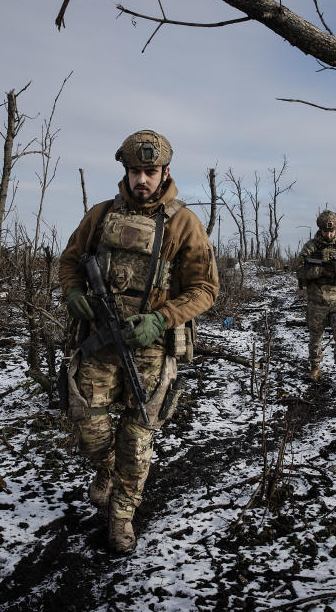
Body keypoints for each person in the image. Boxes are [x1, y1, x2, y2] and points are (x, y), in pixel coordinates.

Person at [58, 129, 218, 553]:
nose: (142, 179)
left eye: (150, 171)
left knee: (138, 434)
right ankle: (106, 470)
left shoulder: (184, 223)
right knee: (89, 425)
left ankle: (123, 514)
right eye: (135, 171)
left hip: (149, 347)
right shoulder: (101, 215)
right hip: (99, 342)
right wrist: (74, 293)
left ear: (165, 171)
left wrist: (161, 318)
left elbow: (205, 288)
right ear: (125, 172)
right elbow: (71, 260)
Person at [296, 210, 336, 384]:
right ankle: (315, 369)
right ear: (320, 229)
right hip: (317, 300)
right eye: (326, 231)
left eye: (332, 231)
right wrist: (320, 271)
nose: (329, 234)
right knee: (315, 336)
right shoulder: (311, 247)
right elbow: (300, 271)